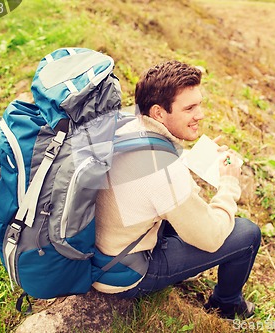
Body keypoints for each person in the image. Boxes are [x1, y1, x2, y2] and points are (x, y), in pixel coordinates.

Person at [93, 60, 261, 320]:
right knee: (247, 233)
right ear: (159, 113)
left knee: (184, 216)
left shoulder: (128, 125)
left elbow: (143, 177)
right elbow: (212, 237)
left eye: (199, 104)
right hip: (122, 272)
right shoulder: (164, 171)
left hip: (100, 249)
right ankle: (227, 305)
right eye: (190, 108)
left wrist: (191, 159)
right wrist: (229, 183)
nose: (200, 114)